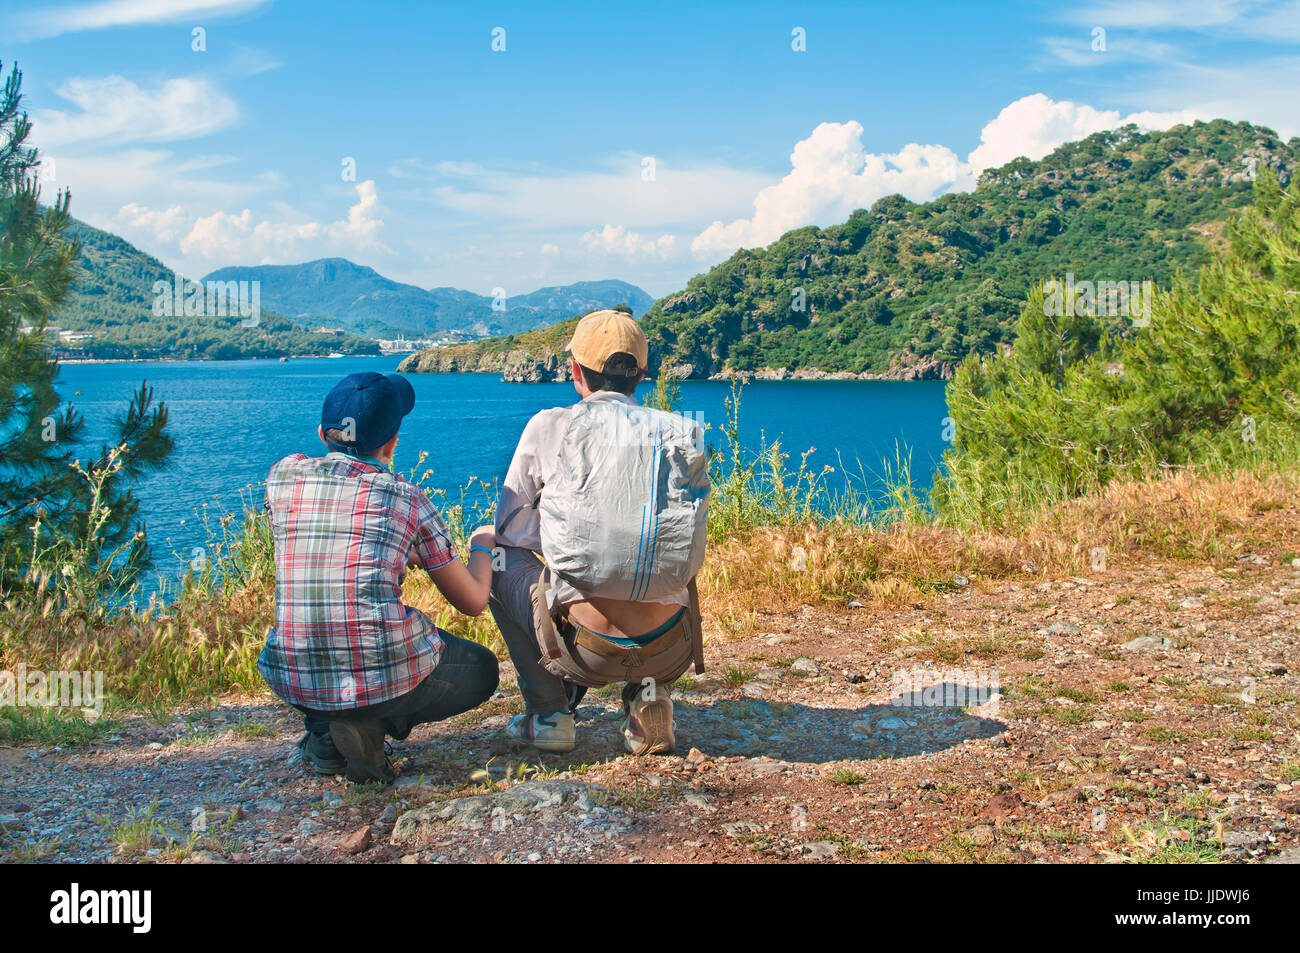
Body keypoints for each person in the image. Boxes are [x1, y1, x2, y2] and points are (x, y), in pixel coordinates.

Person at [258, 371, 499, 782]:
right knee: (482, 670)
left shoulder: (282, 477)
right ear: (391, 443)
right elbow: (473, 601)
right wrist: (483, 544)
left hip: (292, 674)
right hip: (380, 676)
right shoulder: (405, 498)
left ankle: (324, 731)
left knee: (323, 650)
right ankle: (373, 724)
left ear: (321, 433)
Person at [490, 310, 708, 755]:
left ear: (575, 370)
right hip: (669, 648)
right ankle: (650, 695)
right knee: (666, 546)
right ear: (642, 373)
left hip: (582, 648)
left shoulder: (550, 426)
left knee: (496, 555)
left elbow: (511, 531)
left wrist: (570, 528)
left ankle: (549, 714)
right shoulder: (685, 432)